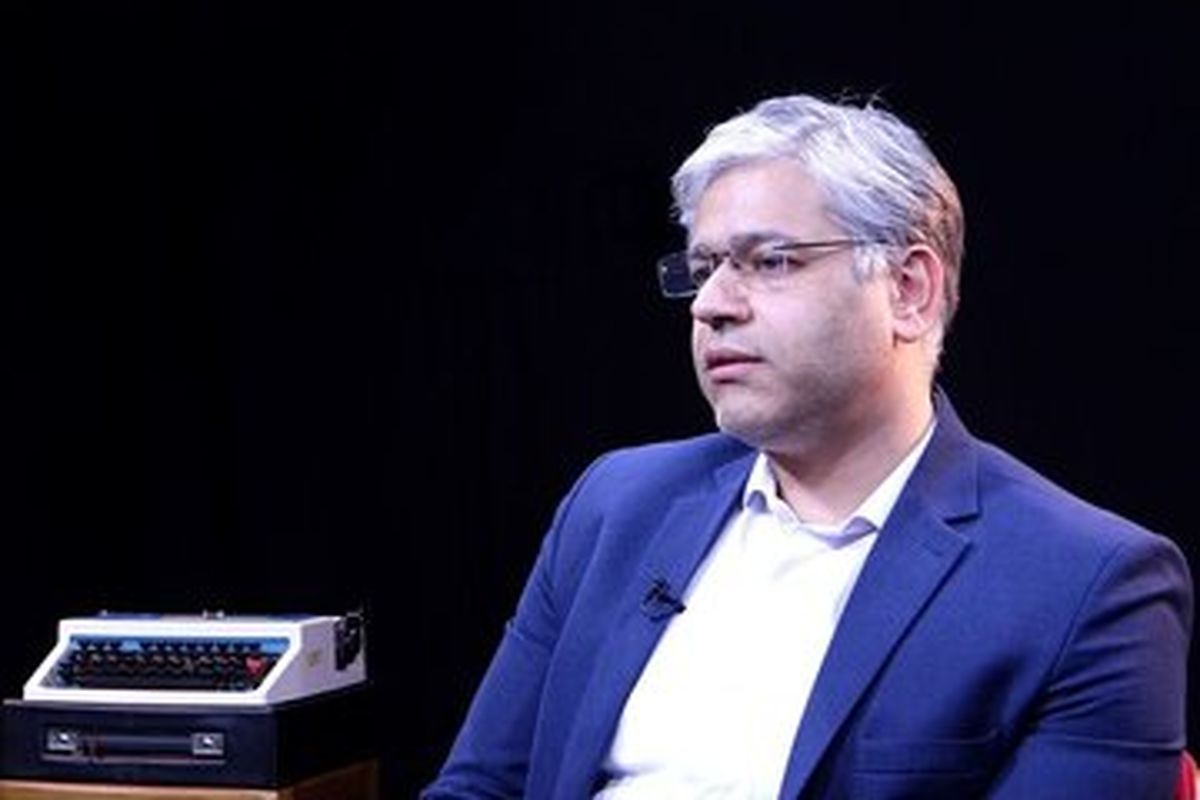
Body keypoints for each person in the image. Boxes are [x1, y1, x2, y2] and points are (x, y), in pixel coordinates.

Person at [423, 94, 1193, 798]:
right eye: (703, 269)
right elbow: (478, 789)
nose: (711, 305)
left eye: (771, 261)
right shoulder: (616, 505)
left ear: (908, 290)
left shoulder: (1088, 586)